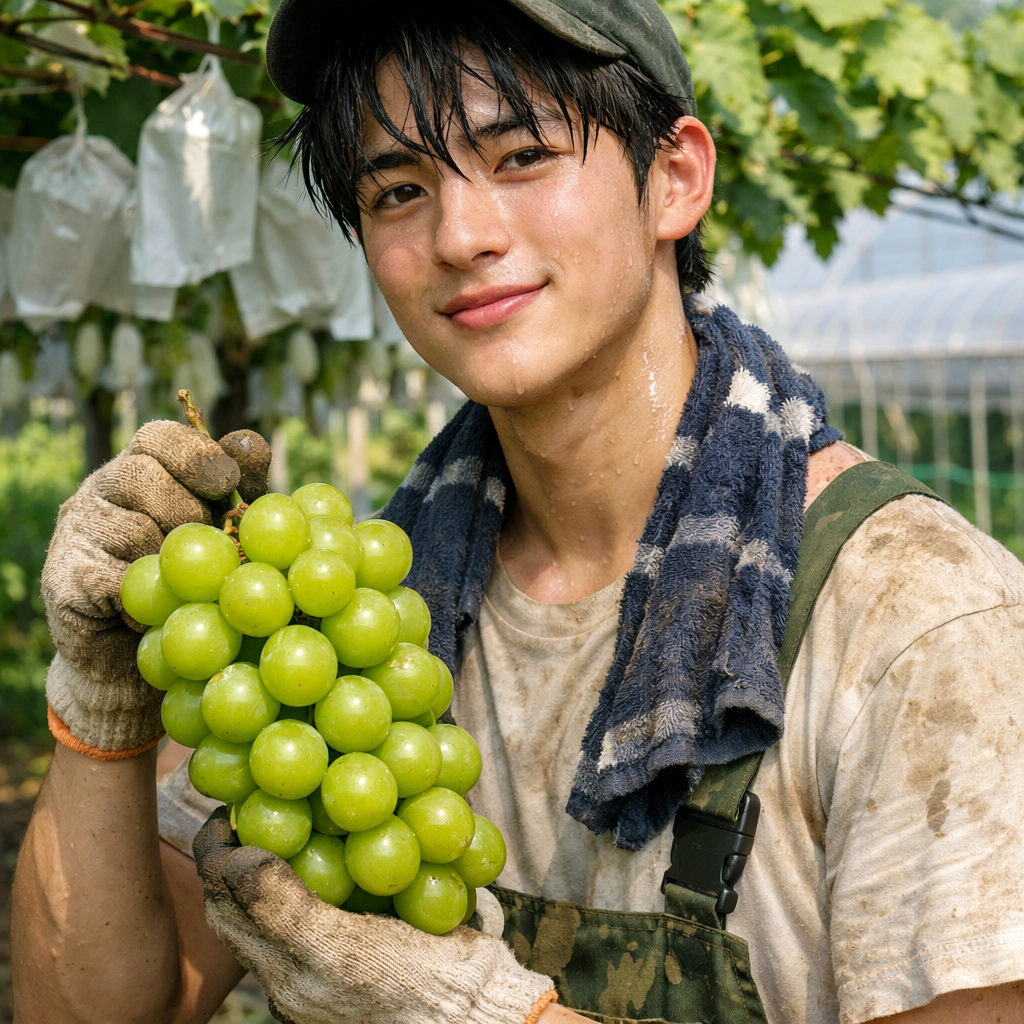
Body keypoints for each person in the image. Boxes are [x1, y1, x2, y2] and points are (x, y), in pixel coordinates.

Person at [12, 2, 1024, 1022]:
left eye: (523, 155)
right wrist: (98, 704)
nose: (459, 236)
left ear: (673, 178)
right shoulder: (368, 610)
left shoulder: (918, 623)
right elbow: (101, 1007)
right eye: (399, 189)